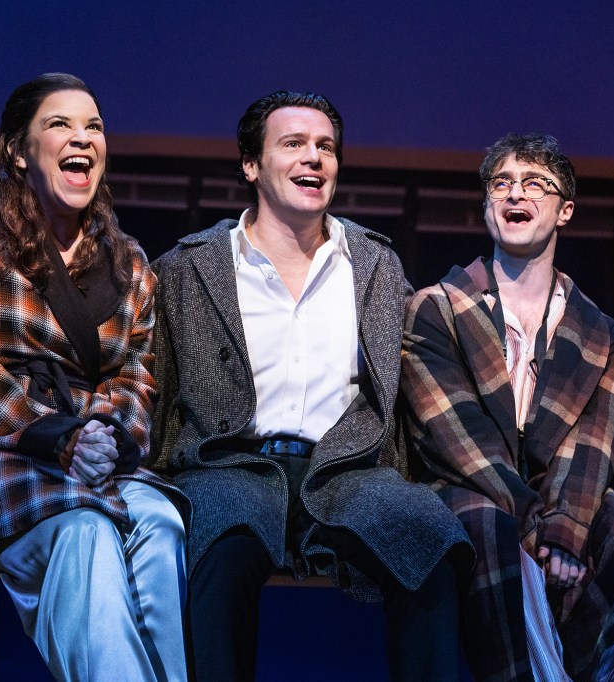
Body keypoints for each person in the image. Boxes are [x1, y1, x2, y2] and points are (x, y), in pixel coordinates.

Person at [149, 91, 473, 682]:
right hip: (232, 467)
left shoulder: (374, 263)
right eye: (293, 144)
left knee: (430, 538)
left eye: (326, 147)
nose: (314, 158)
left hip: (345, 469)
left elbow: (400, 386)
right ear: (252, 165)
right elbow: (158, 389)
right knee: (220, 546)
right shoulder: (187, 267)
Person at [0, 73, 188, 682]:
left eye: (94, 126)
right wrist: (54, 435)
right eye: (60, 124)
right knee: (85, 527)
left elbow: (136, 375)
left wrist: (102, 433)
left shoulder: (127, 262)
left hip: (87, 456)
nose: (83, 138)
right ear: (19, 151)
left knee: (161, 522)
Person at [400, 134, 614, 681]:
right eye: (501, 183)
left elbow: (593, 444)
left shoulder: (599, 333)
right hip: (471, 489)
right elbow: (452, 432)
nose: (514, 194)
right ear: (486, 205)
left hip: (558, 496)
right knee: (492, 532)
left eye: (533, 184)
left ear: (564, 210)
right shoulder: (437, 308)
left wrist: (565, 527)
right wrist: (532, 523)